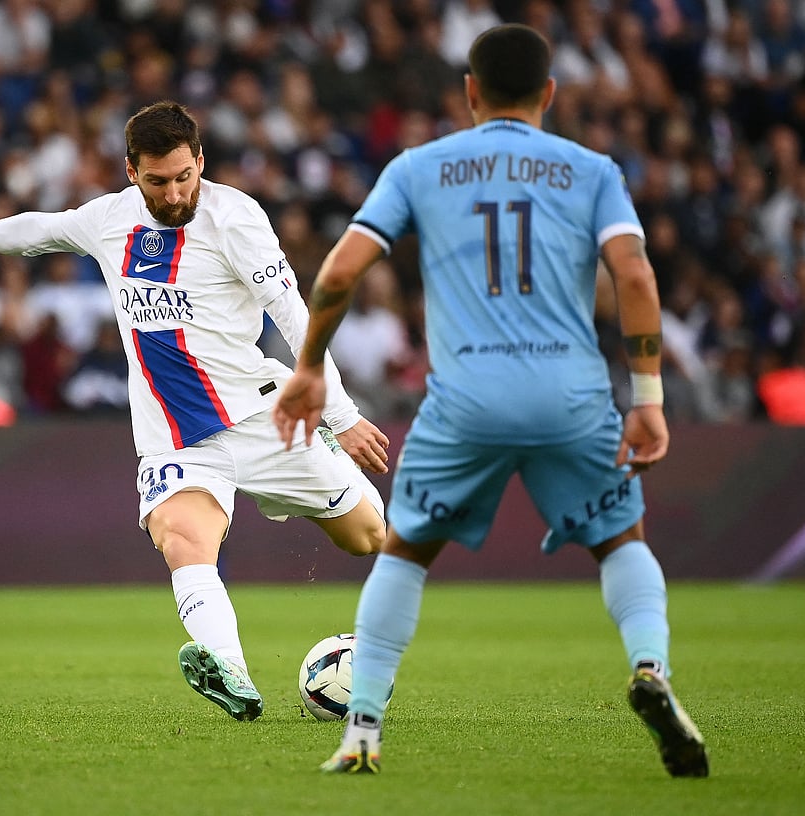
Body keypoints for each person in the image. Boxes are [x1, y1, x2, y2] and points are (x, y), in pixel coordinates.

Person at [274, 24, 708, 777]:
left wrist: (310, 365)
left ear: (469, 94)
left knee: (405, 555)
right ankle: (649, 669)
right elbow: (635, 278)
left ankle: (363, 730)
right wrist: (648, 398)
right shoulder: (592, 170)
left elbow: (341, 271)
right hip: (570, 397)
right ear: (549, 93)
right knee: (621, 541)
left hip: (465, 399)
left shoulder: (420, 168)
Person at [0, 101, 390, 722]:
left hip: (262, 416)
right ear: (132, 171)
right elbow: (33, 231)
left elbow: (296, 315)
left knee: (367, 534)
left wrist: (339, 415)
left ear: (200, 162)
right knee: (182, 539)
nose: (174, 192)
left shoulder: (235, 218)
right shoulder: (109, 220)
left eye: (184, 176)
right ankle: (232, 674)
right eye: (158, 181)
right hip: (177, 435)